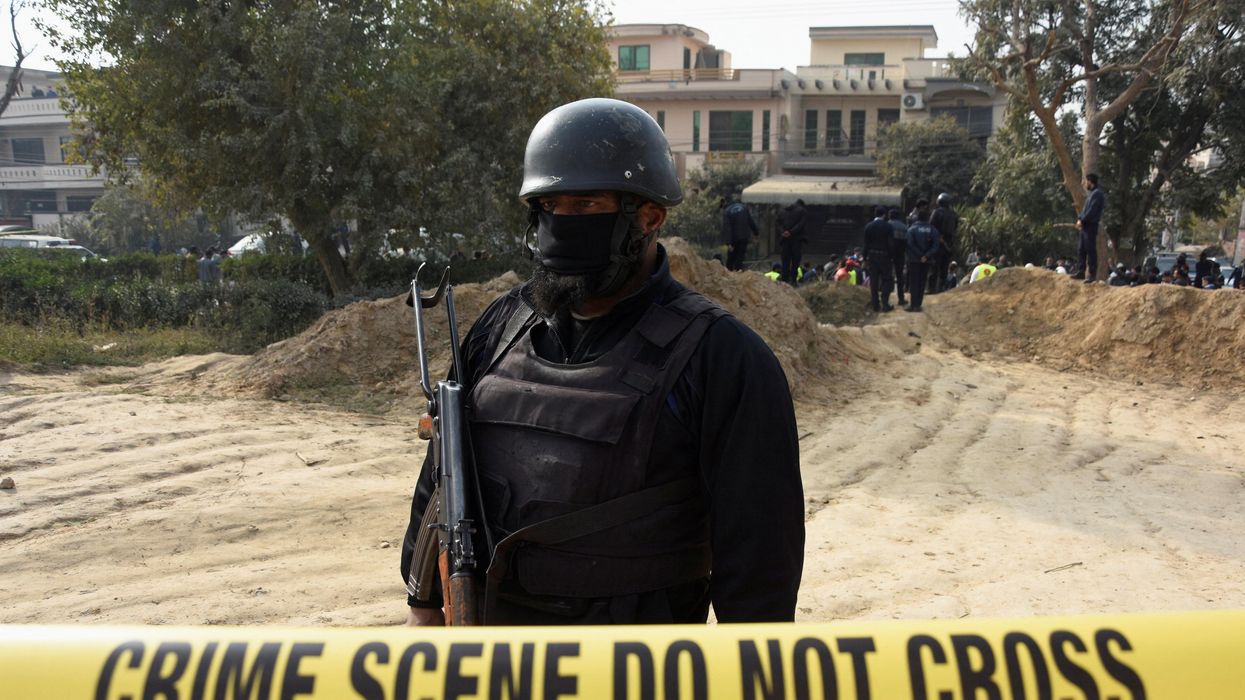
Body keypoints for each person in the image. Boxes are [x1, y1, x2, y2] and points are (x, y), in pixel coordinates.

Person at [401, 98, 804, 627]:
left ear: (650, 217)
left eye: (585, 206)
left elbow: (758, 572)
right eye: (549, 207)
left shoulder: (723, 358)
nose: (561, 223)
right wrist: (424, 611)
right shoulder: (500, 328)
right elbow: (442, 481)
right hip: (489, 659)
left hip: (635, 670)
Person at [905, 202, 940, 311]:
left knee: (914, 282)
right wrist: (926, 256)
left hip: (914, 260)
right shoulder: (933, 230)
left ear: (917, 218)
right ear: (928, 218)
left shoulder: (912, 229)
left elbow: (910, 244)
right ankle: (918, 305)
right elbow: (935, 246)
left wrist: (919, 255)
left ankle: (913, 304)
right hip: (927, 260)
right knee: (922, 282)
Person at [863, 206, 895, 312]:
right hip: (884, 256)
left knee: (874, 281)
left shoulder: (868, 226)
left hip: (872, 256)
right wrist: (891, 256)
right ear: (884, 215)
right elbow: (891, 244)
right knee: (886, 279)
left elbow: (866, 244)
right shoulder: (888, 227)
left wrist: (864, 257)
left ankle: (875, 305)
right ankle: (885, 303)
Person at [1076, 173, 1105, 282]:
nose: (1085, 184)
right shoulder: (1091, 194)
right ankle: (1080, 271)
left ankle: (1092, 274)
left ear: (1090, 181)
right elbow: (1084, 210)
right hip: (1085, 225)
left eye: (1086, 181)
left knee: (1090, 249)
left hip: (1091, 225)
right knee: (1081, 249)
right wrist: (1080, 218)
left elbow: (1091, 211)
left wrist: (1083, 220)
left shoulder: (1098, 194)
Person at [929, 193, 959, 293]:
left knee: (934, 267)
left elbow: (931, 227)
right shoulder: (954, 214)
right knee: (944, 267)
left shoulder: (936, 212)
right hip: (949, 244)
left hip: (937, 243)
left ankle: (932, 288)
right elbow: (955, 228)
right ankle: (942, 288)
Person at [721, 194, 758, 272]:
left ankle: (729, 275)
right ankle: (739, 273)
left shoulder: (727, 211)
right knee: (740, 257)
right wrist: (756, 233)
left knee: (731, 259)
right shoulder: (744, 208)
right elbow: (751, 221)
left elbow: (727, 228)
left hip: (733, 239)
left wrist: (729, 243)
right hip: (744, 237)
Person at [779, 199, 807, 285]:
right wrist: (791, 232)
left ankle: (784, 280)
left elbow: (778, 223)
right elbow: (801, 224)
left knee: (785, 261)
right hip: (796, 240)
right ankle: (793, 281)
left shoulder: (783, 211)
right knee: (795, 261)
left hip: (785, 240)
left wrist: (784, 232)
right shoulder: (802, 211)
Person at [887, 208, 908, 307]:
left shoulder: (886, 225)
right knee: (900, 277)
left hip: (887, 254)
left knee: (886, 276)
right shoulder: (904, 227)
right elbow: (907, 242)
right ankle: (901, 298)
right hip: (900, 254)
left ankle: (886, 299)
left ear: (889, 216)